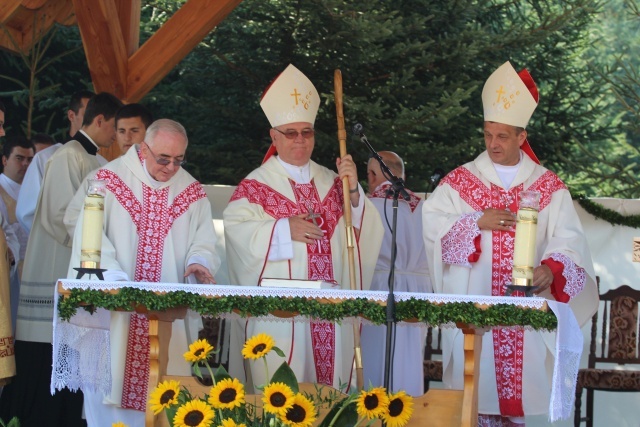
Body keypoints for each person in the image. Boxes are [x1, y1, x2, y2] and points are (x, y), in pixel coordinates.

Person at [422, 61, 598, 425]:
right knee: (476, 405)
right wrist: (474, 222)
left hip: (527, 318)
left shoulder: (548, 187)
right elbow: (433, 229)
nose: (493, 144)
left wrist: (551, 270)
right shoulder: (459, 183)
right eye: (487, 135)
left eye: (502, 136)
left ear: (521, 136)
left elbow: (571, 241)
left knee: (520, 409)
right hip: (477, 318)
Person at [223, 64, 383, 391]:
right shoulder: (255, 186)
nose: (300, 140)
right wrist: (282, 230)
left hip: (331, 313)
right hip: (282, 318)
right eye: (291, 133)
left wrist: (353, 191)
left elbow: (367, 232)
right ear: (274, 137)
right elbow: (238, 235)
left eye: (306, 132)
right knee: (285, 400)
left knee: (329, 399)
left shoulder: (331, 180)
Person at [63, 118, 220, 426]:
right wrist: (116, 282)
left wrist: (199, 261)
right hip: (116, 313)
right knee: (110, 389)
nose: (171, 167)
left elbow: (203, 240)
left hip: (166, 317)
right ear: (143, 148)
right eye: (164, 159)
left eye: (178, 160)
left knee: (165, 399)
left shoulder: (191, 191)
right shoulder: (106, 181)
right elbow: (87, 238)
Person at [0, 92, 122, 427]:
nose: (116, 135)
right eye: (115, 127)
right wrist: (96, 249)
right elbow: (58, 214)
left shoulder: (94, 159)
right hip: (60, 265)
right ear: (99, 121)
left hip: (79, 267)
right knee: (48, 359)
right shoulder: (70, 156)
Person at [360, 151, 431, 397]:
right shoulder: (426, 208)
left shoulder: (367, 206)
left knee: (376, 359)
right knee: (409, 359)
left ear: (372, 174)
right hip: (418, 291)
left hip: (380, 286)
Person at [16, 90, 95, 233]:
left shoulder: (101, 161)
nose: (93, 122)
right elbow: (27, 212)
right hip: (53, 245)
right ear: (72, 115)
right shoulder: (46, 158)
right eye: (87, 115)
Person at [0, 136, 35, 332]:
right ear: (5, 160)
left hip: (30, 273)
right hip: (7, 273)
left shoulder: (34, 192)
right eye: (19, 158)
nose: (25, 164)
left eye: (30, 160)